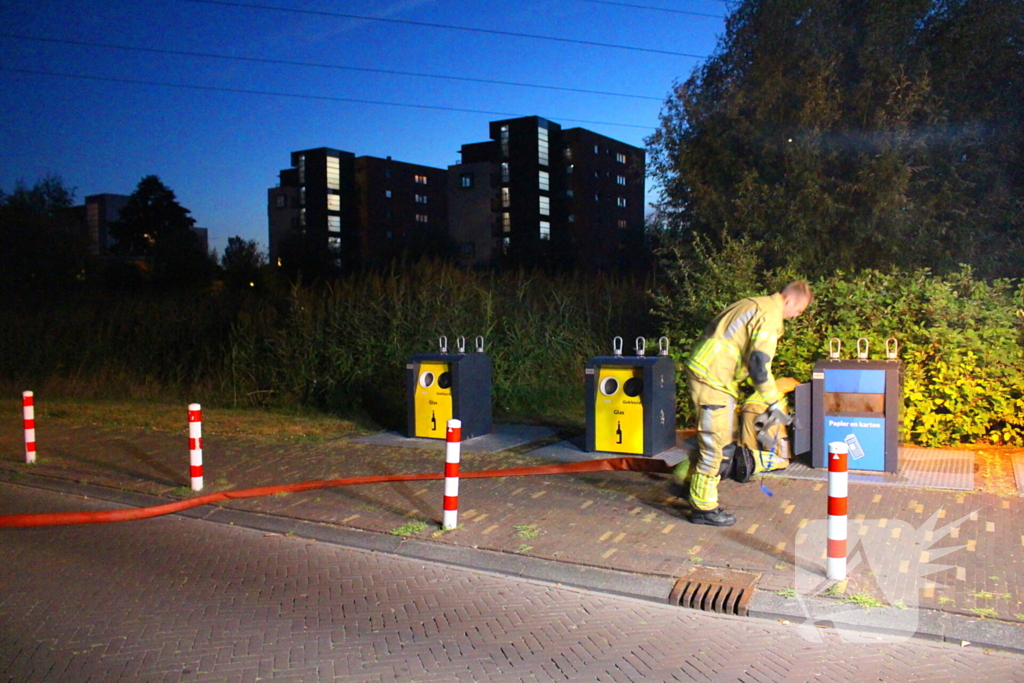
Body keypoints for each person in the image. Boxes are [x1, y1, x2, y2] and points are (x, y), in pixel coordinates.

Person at [679, 281, 813, 526]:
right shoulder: (770, 316)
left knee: (721, 442)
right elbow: (759, 366)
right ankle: (703, 507)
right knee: (716, 445)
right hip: (714, 378)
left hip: (710, 373)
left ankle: (684, 483)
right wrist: (773, 402)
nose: (796, 316)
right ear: (789, 299)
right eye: (799, 310)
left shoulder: (752, 304)